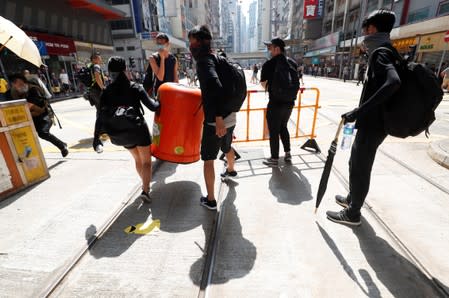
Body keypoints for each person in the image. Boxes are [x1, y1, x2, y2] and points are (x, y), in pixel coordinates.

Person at [326, 9, 401, 226]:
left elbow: (393, 82)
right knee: (355, 161)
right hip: (375, 121)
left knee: (360, 165)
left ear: (373, 29)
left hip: (374, 123)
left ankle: (353, 213)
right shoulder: (387, 50)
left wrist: (359, 111)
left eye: (366, 29)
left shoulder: (381, 53)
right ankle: (352, 199)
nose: (365, 35)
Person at [93, 57, 160, 203]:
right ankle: (146, 189)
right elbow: (153, 107)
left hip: (120, 133)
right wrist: (160, 100)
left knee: (137, 159)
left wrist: (95, 138)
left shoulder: (106, 92)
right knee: (146, 162)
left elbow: (100, 116)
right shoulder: (135, 87)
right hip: (138, 130)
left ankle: (145, 185)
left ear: (110, 73)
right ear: (125, 70)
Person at [188, 25, 237, 211]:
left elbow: (215, 87)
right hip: (230, 115)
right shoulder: (218, 57)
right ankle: (231, 170)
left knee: (208, 159)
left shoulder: (204, 62)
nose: (190, 45)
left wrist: (217, 118)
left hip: (216, 121)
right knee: (227, 146)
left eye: (191, 41)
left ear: (199, 42)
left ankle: (210, 199)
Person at [5, 74, 68, 157]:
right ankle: (26, 155)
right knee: (23, 134)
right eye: (15, 84)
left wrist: (25, 108)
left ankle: (62, 146)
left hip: (44, 115)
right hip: (30, 117)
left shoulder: (34, 90)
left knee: (42, 132)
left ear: (24, 82)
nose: (17, 87)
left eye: (19, 83)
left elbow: (37, 108)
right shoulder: (15, 93)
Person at [260, 37, 298, 166]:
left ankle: (274, 159)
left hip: (275, 103)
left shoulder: (269, 64)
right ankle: (288, 154)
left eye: (270, 47)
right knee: (283, 127)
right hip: (289, 103)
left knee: (274, 131)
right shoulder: (292, 63)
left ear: (277, 49)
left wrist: (273, 89)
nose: (269, 50)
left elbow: (263, 83)